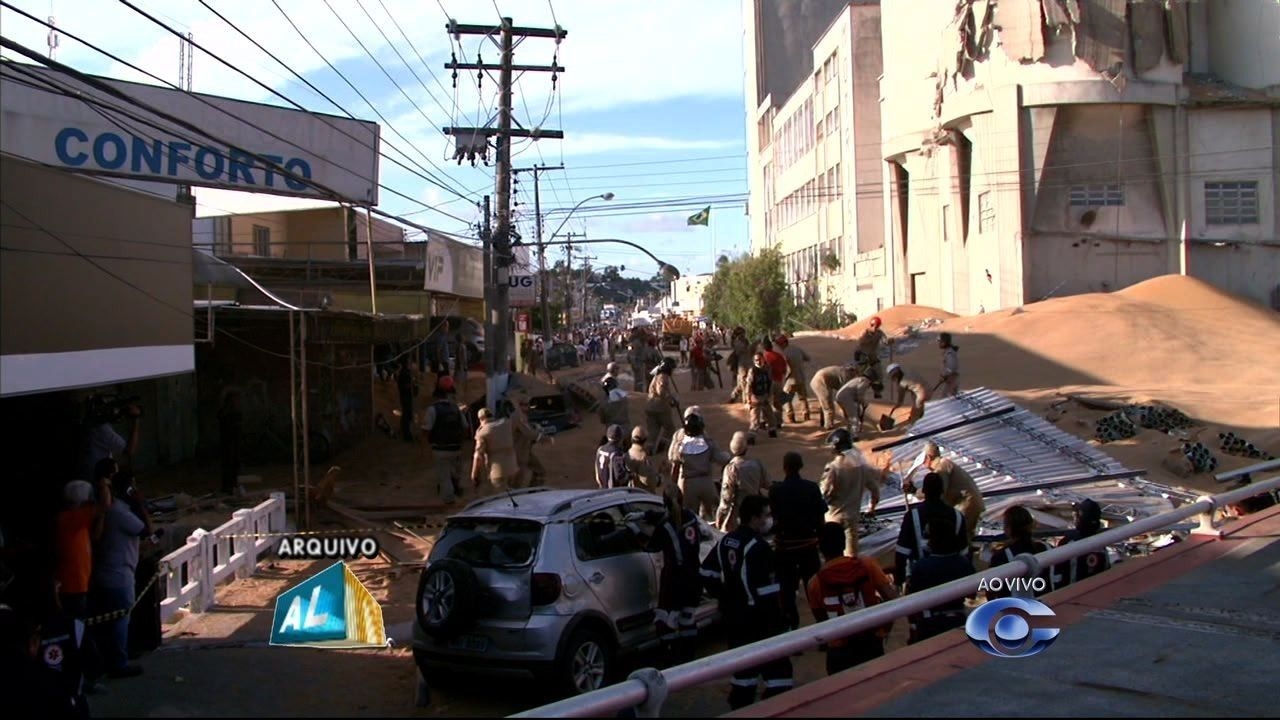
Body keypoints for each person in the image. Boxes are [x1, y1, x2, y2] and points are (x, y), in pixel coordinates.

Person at [700, 495, 793, 710]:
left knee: (743, 672)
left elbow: (706, 572)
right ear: (754, 518)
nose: (769, 520)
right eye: (766, 515)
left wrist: (725, 596)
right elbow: (767, 592)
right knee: (778, 672)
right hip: (760, 621)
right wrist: (781, 618)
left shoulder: (726, 540)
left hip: (734, 619)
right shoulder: (758, 547)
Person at [807, 522, 898, 675]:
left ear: (819, 548)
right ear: (844, 543)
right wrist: (884, 628)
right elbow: (892, 599)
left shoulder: (814, 583)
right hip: (871, 641)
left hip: (839, 650)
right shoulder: (867, 565)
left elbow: (821, 621)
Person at [91, 469, 149, 679]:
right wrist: (139, 503)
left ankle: (115, 656)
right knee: (119, 621)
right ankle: (118, 663)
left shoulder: (112, 510)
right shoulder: (121, 513)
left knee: (111, 621)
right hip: (118, 574)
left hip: (109, 571)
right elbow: (145, 529)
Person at [643, 490, 706, 667]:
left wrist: (635, 529)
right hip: (694, 577)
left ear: (665, 503)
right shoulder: (691, 517)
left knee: (663, 621)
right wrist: (649, 515)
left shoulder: (664, 527)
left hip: (674, 580)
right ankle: (689, 658)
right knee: (687, 618)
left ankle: (669, 658)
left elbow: (650, 547)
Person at [768, 451, 828, 632]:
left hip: (784, 548)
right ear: (801, 466)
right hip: (808, 546)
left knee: (786, 591)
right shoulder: (811, 488)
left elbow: (773, 518)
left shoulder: (775, 490)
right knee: (815, 589)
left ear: (784, 467)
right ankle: (823, 626)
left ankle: (792, 628)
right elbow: (820, 518)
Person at [905, 516, 976, 644]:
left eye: (927, 536)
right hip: (959, 620)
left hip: (930, 624)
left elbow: (912, 600)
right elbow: (972, 594)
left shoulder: (921, 566)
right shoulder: (963, 563)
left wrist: (913, 625)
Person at [894, 473, 967, 590]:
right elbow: (965, 553)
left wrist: (899, 580)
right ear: (942, 491)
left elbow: (902, 552)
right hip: (952, 584)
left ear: (924, 491)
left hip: (923, 581)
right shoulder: (957, 516)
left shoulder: (913, 516)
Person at [820, 429, 881, 557]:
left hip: (833, 517)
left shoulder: (833, 468)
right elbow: (875, 490)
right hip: (852, 517)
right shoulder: (861, 467)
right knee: (851, 557)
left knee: (833, 557)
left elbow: (824, 493)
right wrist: (871, 508)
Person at [911, 442, 986, 545]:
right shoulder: (945, 464)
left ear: (928, 458)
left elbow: (938, 492)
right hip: (970, 503)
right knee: (963, 537)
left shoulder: (942, 467)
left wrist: (915, 492)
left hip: (967, 504)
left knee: (958, 538)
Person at [56, 475, 109, 620]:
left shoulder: (75, 521)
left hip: (79, 583)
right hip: (73, 587)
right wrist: (104, 485)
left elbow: (96, 536)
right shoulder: (72, 518)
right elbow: (104, 505)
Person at [669, 408, 731, 522]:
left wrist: (673, 485)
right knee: (714, 514)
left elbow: (674, 464)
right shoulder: (708, 442)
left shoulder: (680, 447)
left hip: (688, 484)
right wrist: (729, 456)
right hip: (706, 482)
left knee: (690, 517)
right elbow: (721, 459)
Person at [987, 506, 1053, 598]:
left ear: (1008, 528)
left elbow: (991, 590)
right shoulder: (1047, 548)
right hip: (1049, 603)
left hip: (1013, 607)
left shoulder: (1002, 556)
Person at [422, 376, 468, 504]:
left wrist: (425, 445)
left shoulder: (432, 409)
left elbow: (426, 429)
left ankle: (449, 501)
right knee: (455, 472)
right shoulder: (456, 409)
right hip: (456, 447)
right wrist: (460, 442)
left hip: (440, 448)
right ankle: (456, 487)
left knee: (444, 476)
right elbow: (465, 428)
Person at [77, 398, 140, 488]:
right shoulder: (101, 428)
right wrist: (136, 419)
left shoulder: (90, 422)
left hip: (88, 473)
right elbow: (130, 450)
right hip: (95, 477)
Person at [1052, 499, 1112, 588]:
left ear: (1079, 517)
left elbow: (1057, 575)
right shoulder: (1101, 543)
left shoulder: (1068, 542)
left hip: (1071, 594)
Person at [715, 431, 768, 532]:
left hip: (739, 514)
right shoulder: (757, 463)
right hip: (756, 510)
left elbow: (726, 498)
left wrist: (720, 517)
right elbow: (767, 484)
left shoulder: (731, 468)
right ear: (746, 448)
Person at [470, 408, 520, 495]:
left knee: (501, 497)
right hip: (513, 467)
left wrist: (474, 474)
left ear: (481, 419)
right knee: (510, 491)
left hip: (497, 470)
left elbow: (478, 456)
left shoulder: (482, 432)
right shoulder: (506, 423)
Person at [507, 392, 547, 488]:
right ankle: (514, 498)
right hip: (518, 452)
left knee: (540, 471)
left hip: (525, 451)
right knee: (516, 481)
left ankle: (531, 492)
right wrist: (542, 437)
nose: (528, 407)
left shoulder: (521, 416)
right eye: (526, 404)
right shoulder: (518, 416)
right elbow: (528, 433)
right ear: (520, 405)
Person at [645, 357, 681, 454]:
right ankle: (662, 446)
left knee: (653, 430)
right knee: (669, 428)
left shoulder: (657, 376)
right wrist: (672, 400)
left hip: (650, 406)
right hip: (660, 407)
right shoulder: (663, 377)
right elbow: (661, 392)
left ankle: (650, 448)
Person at [855, 316, 895, 398]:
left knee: (879, 374)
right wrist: (870, 336)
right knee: (862, 375)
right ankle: (856, 392)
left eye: (876, 325)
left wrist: (889, 341)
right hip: (863, 355)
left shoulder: (879, 333)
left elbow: (885, 341)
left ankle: (877, 392)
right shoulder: (865, 332)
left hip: (873, 356)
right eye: (873, 325)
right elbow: (861, 342)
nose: (874, 327)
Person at [776, 335, 812, 424]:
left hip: (790, 380)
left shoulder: (783, 353)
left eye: (779, 344)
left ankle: (791, 416)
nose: (778, 346)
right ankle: (806, 415)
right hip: (801, 378)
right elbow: (808, 358)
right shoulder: (797, 349)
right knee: (803, 398)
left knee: (785, 399)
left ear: (782, 343)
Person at [808, 364, 857, 430]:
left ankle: (822, 422)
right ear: (852, 371)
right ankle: (828, 426)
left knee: (824, 403)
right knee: (828, 407)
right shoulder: (846, 376)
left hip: (818, 381)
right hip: (820, 382)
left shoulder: (843, 371)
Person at [626, 426, 669, 498]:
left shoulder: (628, 453)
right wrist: (660, 476)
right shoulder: (643, 458)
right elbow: (649, 481)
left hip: (632, 494)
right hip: (644, 496)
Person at [748, 352, 779, 440]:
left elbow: (770, 383)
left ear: (763, 359)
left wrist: (770, 395)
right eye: (756, 360)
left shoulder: (767, 369)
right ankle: (751, 437)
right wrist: (749, 399)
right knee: (755, 419)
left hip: (765, 396)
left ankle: (772, 431)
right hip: (756, 398)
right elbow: (749, 385)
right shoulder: (752, 370)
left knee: (771, 416)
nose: (758, 362)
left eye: (760, 359)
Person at [217, 389, 243, 496]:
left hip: (233, 442)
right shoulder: (226, 413)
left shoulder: (234, 413)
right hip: (228, 443)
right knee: (228, 465)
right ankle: (228, 488)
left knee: (234, 465)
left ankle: (232, 486)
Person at [760, 339, 790, 426]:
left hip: (767, 383)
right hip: (778, 381)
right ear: (772, 347)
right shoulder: (779, 356)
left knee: (765, 402)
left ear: (763, 348)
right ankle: (779, 421)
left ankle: (764, 421)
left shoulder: (763, 357)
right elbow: (784, 370)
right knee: (778, 403)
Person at [595, 425, 633, 489]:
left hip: (601, 489)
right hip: (613, 492)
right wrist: (629, 476)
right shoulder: (617, 453)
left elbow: (597, 470)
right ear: (620, 438)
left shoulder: (600, 449)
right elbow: (619, 476)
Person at [396, 357, 417, 443]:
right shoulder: (404, 373)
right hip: (406, 396)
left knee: (407, 414)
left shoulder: (406, 373)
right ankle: (407, 434)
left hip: (406, 396)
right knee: (407, 414)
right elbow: (405, 386)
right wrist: (412, 386)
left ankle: (405, 431)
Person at [729, 327, 752, 404]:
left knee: (743, 383)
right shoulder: (737, 342)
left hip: (747, 363)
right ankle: (745, 401)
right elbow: (740, 351)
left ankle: (734, 396)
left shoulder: (745, 341)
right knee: (743, 383)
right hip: (742, 365)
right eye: (742, 333)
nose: (744, 335)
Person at [936, 332, 960, 398]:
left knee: (946, 400)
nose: (938, 343)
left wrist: (944, 375)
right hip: (949, 381)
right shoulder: (947, 352)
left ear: (944, 342)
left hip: (952, 381)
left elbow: (952, 367)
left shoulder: (949, 353)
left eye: (940, 342)